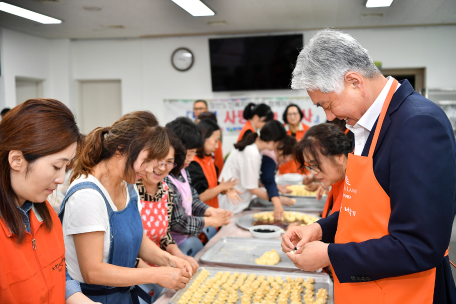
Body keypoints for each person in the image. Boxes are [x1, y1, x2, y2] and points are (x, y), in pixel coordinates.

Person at [282, 29, 456, 303]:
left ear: (354, 82)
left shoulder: (417, 125)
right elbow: (367, 210)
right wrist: (319, 229)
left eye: (327, 105)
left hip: (407, 294)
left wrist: (329, 254)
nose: (329, 117)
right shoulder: (368, 125)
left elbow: (420, 245)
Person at [60, 111, 192, 304]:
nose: (150, 170)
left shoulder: (127, 186)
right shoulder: (87, 196)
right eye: (146, 161)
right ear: (121, 148)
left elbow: (136, 239)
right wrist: (155, 275)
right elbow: (92, 271)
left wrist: (169, 259)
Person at [0, 98, 97, 304]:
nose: (61, 179)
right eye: (56, 167)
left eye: (66, 168)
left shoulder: (46, 214)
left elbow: (57, 273)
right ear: (17, 160)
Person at [136, 129, 199, 303]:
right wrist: (157, 276)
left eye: (169, 162)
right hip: (135, 275)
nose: (162, 167)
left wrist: (179, 255)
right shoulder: (131, 192)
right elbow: (129, 247)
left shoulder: (167, 191)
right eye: (158, 160)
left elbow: (163, 233)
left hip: (162, 266)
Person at [164, 117, 232, 250]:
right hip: (167, 248)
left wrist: (209, 210)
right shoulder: (165, 178)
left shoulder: (183, 170)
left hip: (183, 241)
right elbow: (178, 222)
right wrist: (210, 221)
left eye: (193, 154)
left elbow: (193, 199)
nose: (190, 159)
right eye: (188, 154)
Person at [219, 120, 287, 218]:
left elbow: (252, 179)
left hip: (235, 202)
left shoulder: (254, 149)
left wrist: (275, 192)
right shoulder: (252, 153)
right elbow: (252, 188)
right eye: (279, 143)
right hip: (231, 204)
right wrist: (276, 200)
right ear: (272, 141)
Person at [294, 123, 351, 218]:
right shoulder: (335, 183)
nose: (314, 172)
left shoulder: (356, 191)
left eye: (316, 164)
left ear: (340, 158)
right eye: (310, 166)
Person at [188, 118, 241, 208]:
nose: (217, 146)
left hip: (213, 215)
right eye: (216, 141)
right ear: (203, 138)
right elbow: (200, 196)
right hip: (201, 218)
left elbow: (212, 187)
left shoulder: (209, 159)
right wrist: (221, 187)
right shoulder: (193, 163)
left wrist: (225, 189)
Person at [260, 135, 297, 207]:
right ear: (280, 148)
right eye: (286, 155)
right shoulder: (269, 158)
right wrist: (277, 200)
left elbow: (263, 180)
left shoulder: (272, 156)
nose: (287, 159)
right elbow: (268, 180)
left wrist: (276, 186)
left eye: (290, 157)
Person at [278, 104, 310, 174]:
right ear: (285, 116)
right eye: (289, 114)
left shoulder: (307, 130)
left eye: (295, 114)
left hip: (303, 171)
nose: (292, 116)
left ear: (300, 114)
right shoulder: (280, 130)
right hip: (284, 170)